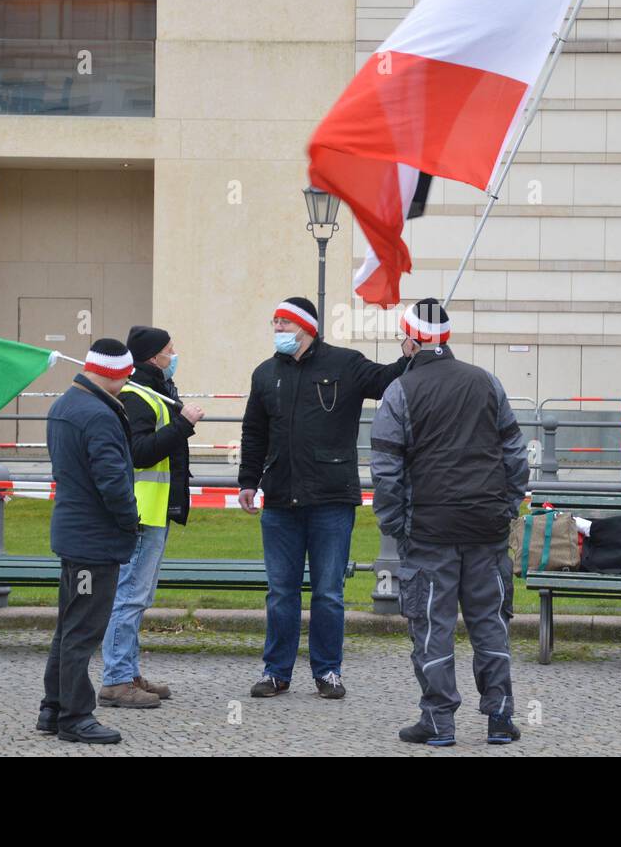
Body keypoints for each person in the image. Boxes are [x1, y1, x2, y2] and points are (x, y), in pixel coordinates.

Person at [370, 299, 529, 746]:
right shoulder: (487, 382)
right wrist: (507, 505)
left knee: (431, 626)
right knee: (491, 623)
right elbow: (515, 455)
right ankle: (500, 717)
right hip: (487, 528)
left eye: (402, 335)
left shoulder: (400, 391)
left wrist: (397, 524)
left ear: (412, 339)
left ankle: (439, 722)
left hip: (429, 532)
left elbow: (385, 471)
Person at [238, 296, 413, 700]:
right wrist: (249, 480)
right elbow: (253, 433)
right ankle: (276, 672)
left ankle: (328, 672)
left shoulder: (345, 363)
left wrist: (407, 355)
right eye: (275, 323)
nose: (277, 330)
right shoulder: (265, 374)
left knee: (328, 593)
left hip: (331, 500)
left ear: (306, 327)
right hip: (280, 500)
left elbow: (386, 380)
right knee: (281, 592)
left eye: (284, 323)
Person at [38, 339, 142, 744]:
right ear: (120, 374)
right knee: (82, 631)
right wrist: (129, 521)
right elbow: (112, 481)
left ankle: (53, 708)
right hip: (93, 542)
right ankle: (75, 717)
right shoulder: (99, 415)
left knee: (68, 626)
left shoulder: (64, 405)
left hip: (72, 535)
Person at [98, 326, 206, 708]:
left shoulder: (155, 392)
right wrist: (184, 425)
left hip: (152, 510)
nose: (173, 357)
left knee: (137, 597)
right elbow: (140, 453)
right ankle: (114, 680)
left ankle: (128, 672)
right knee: (128, 597)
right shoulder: (137, 395)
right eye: (169, 352)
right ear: (152, 358)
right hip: (141, 512)